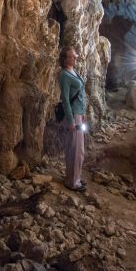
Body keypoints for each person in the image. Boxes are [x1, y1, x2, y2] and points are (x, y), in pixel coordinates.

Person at [58, 46, 87, 191]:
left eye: (75, 55)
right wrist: (70, 121)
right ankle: (73, 182)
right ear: (65, 59)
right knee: (75, 149)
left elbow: (80, 95)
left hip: (78, 115)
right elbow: (65, 99)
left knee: (78, 149)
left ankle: (75, 177)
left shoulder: (73, 71)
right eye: (72, 56)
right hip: (73, 117)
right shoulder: (64, 75)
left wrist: (83, 113)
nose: (76, 57)